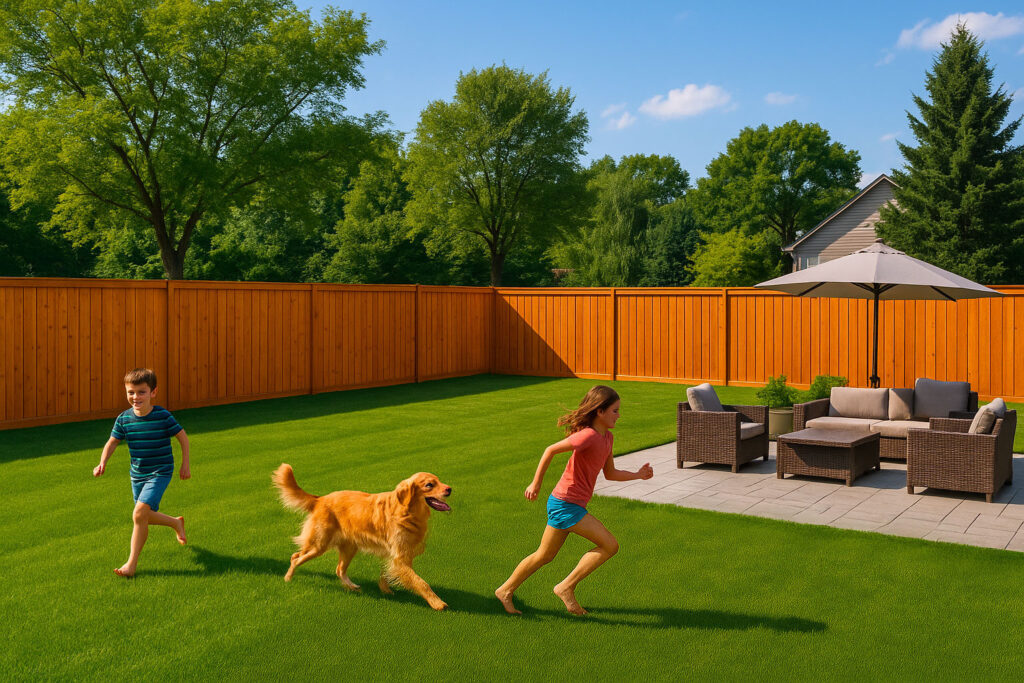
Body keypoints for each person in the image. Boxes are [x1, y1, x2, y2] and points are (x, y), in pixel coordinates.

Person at [495, 385, 653, 615]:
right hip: (565, 504)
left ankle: (505, 590)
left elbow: (611, 473)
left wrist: (638, 475)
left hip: (570, 504)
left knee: (544, 555)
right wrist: (535, 483)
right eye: (615, 411)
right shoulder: (587, 436)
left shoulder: (607, 438)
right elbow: (550, 450)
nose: (619, 416)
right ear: (600, 411)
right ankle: (566, 587)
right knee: (610, 545)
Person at [93, 368, 191, 577]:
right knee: (143, 516)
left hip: (161, 471)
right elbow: (112, 442)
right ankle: (175, 522)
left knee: (138, 514)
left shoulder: (162, 416)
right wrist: (102, 463)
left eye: (141, 392)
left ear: (153, 392)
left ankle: (131, 565)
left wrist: (185, 465)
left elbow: (183, 437)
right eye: (131, 392)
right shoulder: (124, 419)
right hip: (137, 474)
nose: (135, 397)